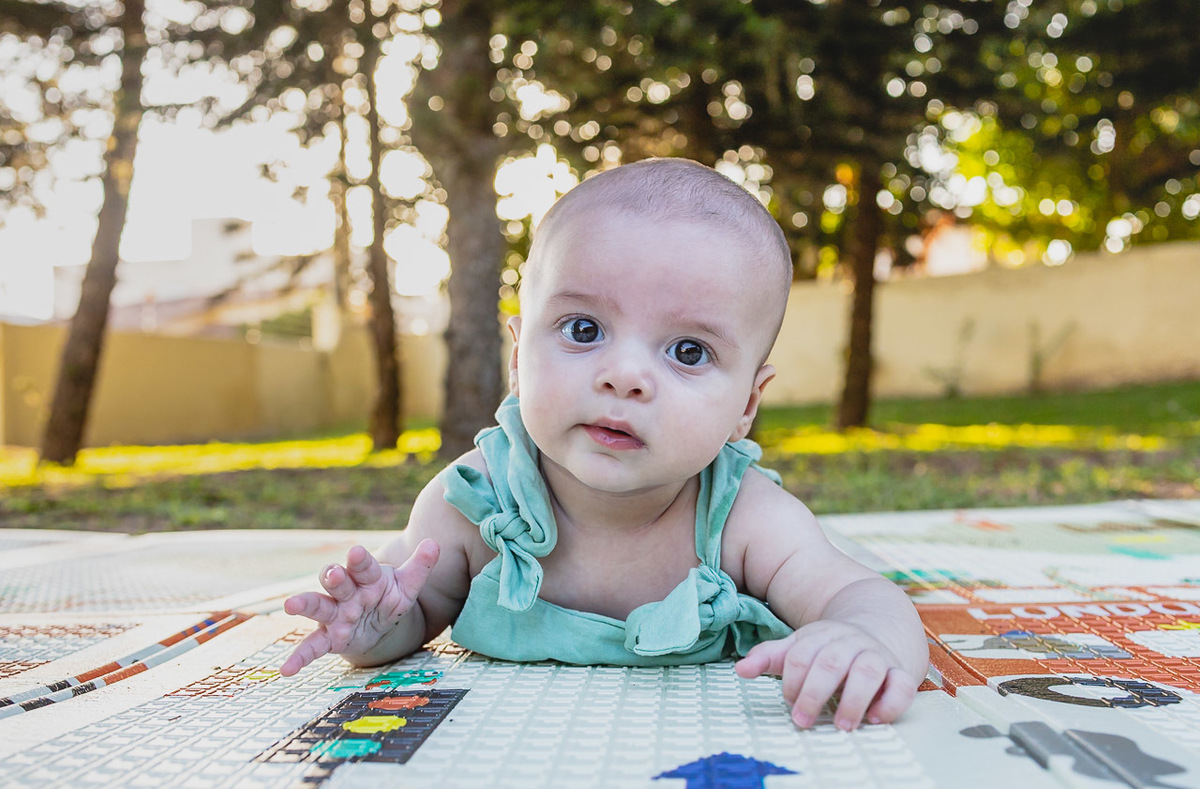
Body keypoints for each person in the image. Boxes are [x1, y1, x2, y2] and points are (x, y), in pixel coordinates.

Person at [279, 158, 928, 731]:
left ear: (746, 407)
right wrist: (369, 628)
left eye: (688, 351)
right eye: (584, 328)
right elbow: (409, 616)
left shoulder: (741, 520)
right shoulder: (476, 504)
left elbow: (861, 595)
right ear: (517, 357)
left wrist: (860, 638)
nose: (624, 376)